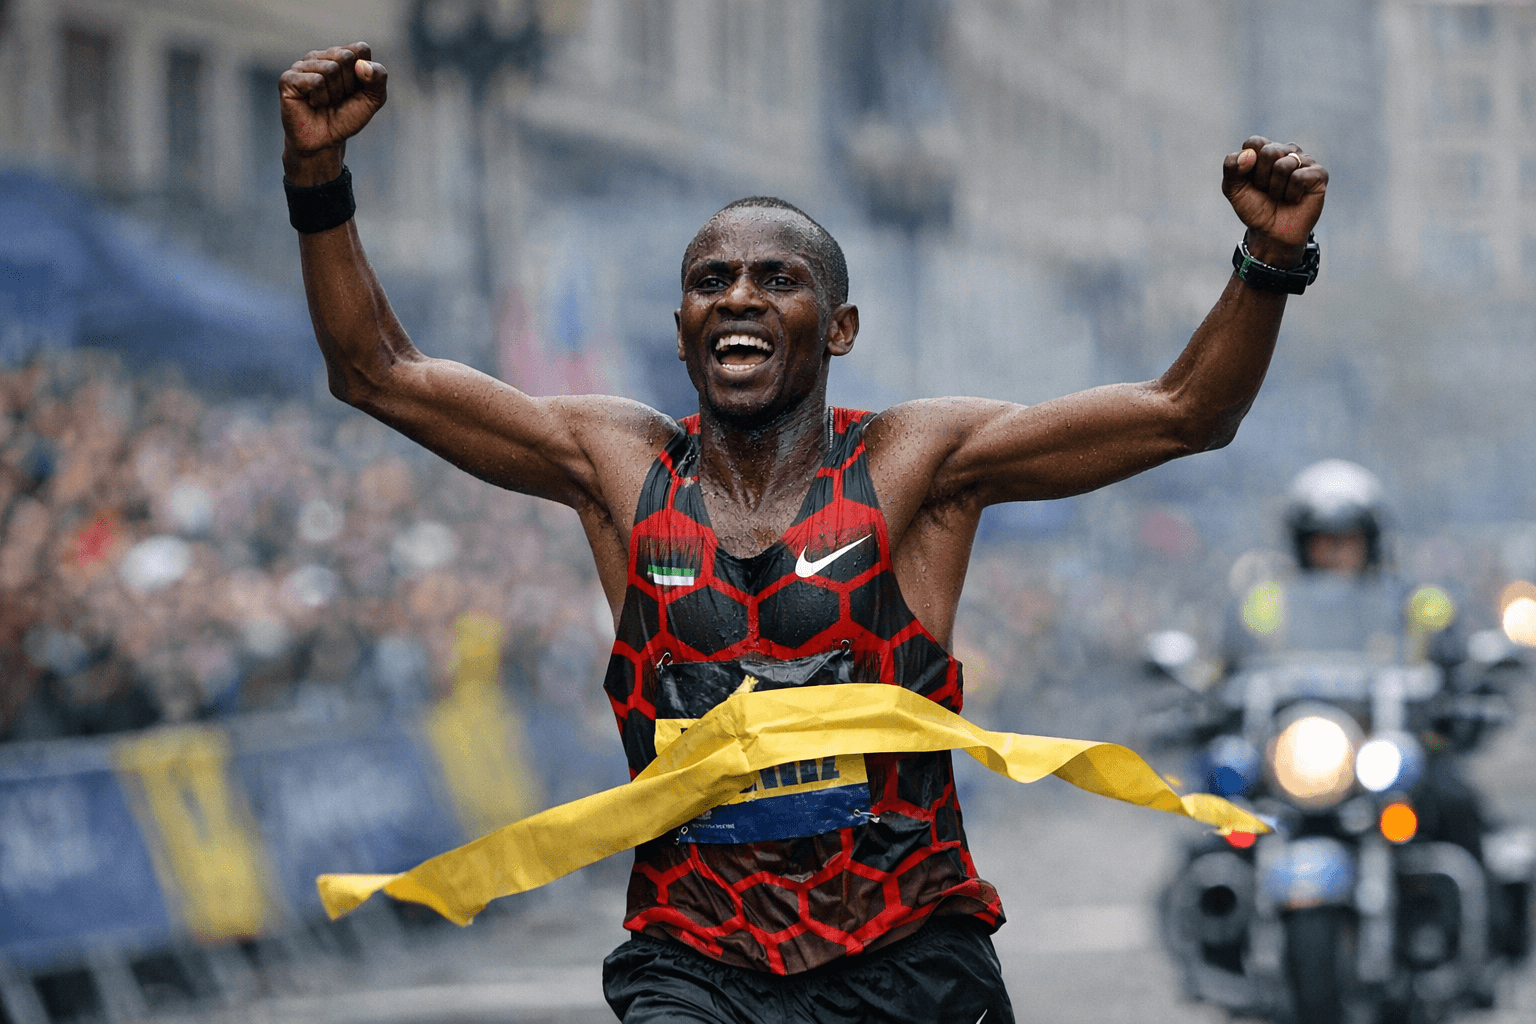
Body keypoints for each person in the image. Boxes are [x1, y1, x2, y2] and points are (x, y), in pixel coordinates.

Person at [279, 42, 1327, 1024]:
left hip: (906, 950)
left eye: (777, 278)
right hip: (697, 961)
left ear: (839, 328)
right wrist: (318, 179)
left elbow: (1187, 411)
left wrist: (1268, 260)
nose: (739, 294)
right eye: (711, 281)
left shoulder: (913, 465)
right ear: (683, 328)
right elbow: (378, 372)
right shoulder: (621, 469)